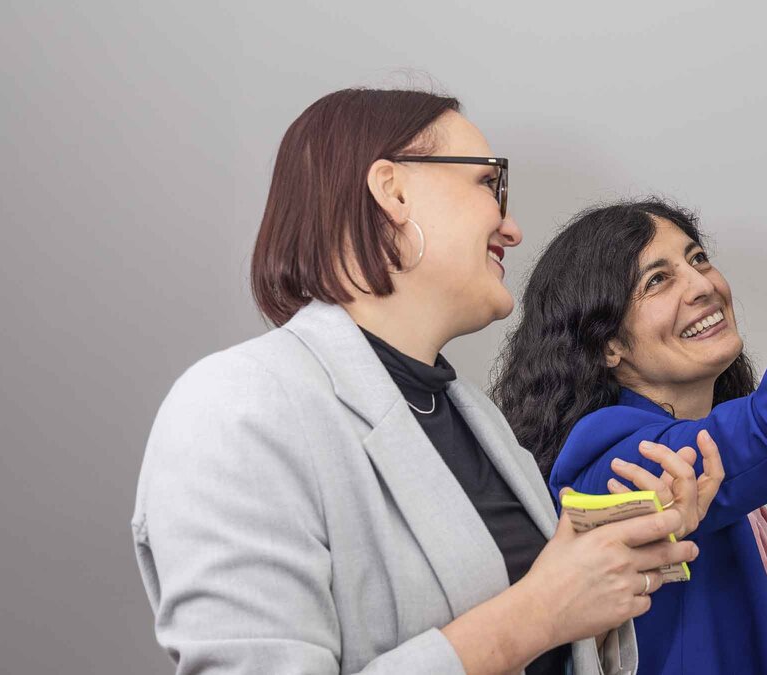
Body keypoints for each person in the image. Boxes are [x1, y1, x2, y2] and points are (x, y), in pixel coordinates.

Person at [131, 88, 718, 675]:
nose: (512, 229)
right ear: (392, 190)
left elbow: (549, 635)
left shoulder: (475, 420)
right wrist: (539, 612)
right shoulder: (236, 405)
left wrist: (617, 559)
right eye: (489, 183)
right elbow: (534, 615)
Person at [492, 41, 767, 674]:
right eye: (657, 281)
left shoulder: (706, 457)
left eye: (697, 258)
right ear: (607, 345)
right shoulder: (615, 464)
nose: (702, 284)